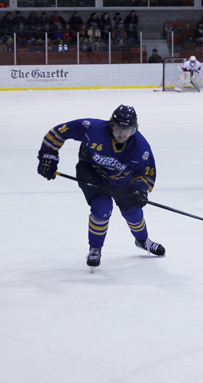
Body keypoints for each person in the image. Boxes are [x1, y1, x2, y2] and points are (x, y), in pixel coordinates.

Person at [36, 105, 165, 268]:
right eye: (118, 128)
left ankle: (142, 240)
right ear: (111, 125)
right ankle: (95, 248)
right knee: (102, 206)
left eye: (128, 130)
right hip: (91, 172)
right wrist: (48, 155)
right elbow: (59, 132)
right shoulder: (93, 128)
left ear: (135, 129)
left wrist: (140, 189)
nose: (121, 134)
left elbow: (147, 174)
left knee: (133, 211)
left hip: (121, 179)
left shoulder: (141, 148)